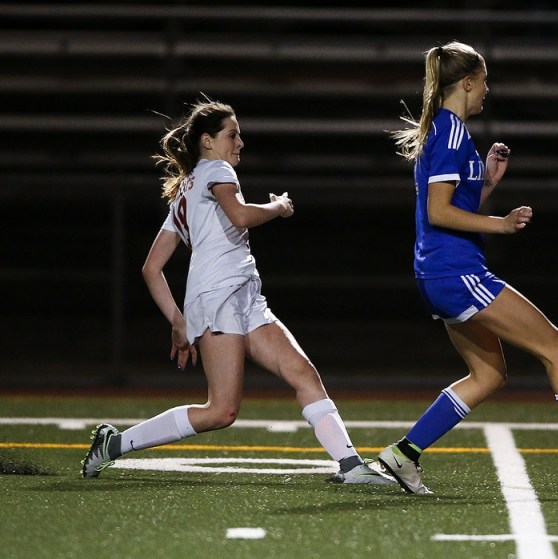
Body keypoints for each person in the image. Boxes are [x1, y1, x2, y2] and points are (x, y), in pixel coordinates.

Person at [378, 41, 558, 495]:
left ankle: (405, 453)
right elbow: (439, 213)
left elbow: (452, 204)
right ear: (469, 82)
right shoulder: (452, 132)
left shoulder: (444, 131)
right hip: (457, 272)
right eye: (485, 82)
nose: (488, 91)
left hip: (438, 274)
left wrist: (489, 182)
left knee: (489, 375)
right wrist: (499, 224)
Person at [81, 98, 395, 486]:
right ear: (208, 142)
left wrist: (179, 320)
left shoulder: (185, 191)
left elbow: (151, 268)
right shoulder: (217, 169)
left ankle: (351, 466)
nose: (241, 142)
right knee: (221, 412)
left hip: (241, 295)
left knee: (302, 372)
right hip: (219, 299)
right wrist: (278, 206)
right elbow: (242, 215)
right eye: (233, 134)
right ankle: (113, 445)